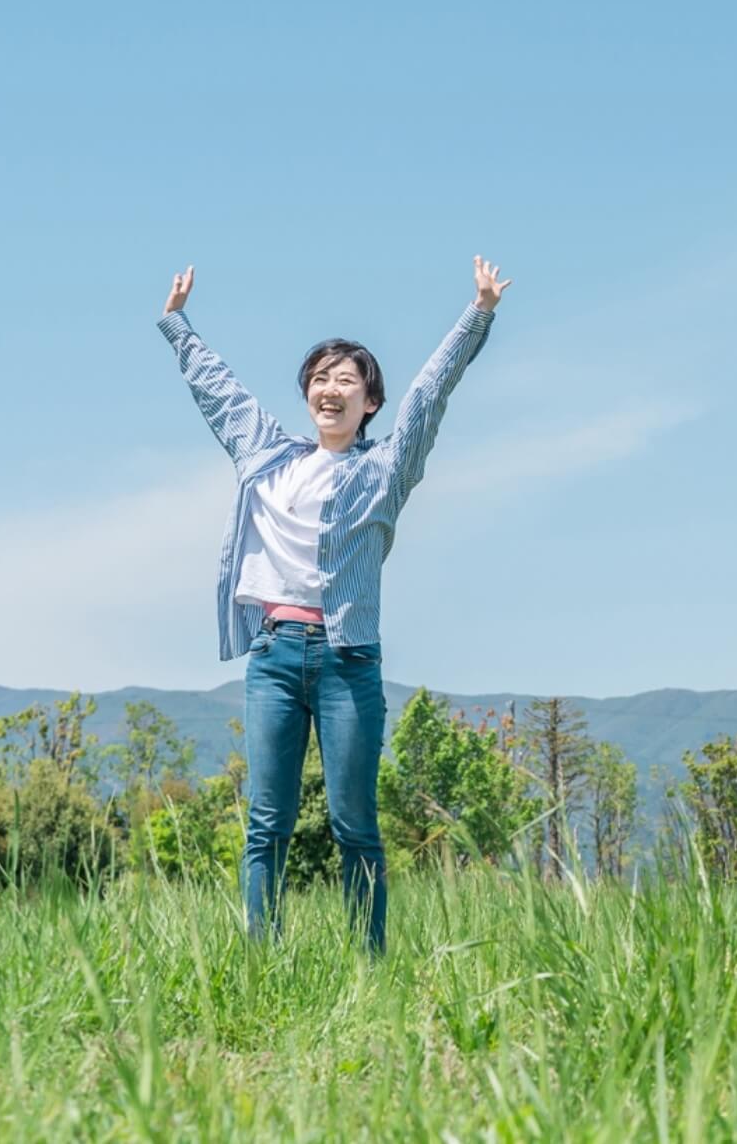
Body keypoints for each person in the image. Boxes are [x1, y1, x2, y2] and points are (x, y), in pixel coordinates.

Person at [159, 255, 506, 952]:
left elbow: (429, 397)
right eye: (320, 379)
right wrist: (176, 326)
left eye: (346, 380)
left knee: (354, 824)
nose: (330, 389)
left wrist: (479, 314)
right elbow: (221, 395)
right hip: (274, 658)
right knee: (267, 821)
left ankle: (367, 968)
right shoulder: (268, 457)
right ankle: (261, 958)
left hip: (348, 661)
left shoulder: (384, 470)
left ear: (368, 403)